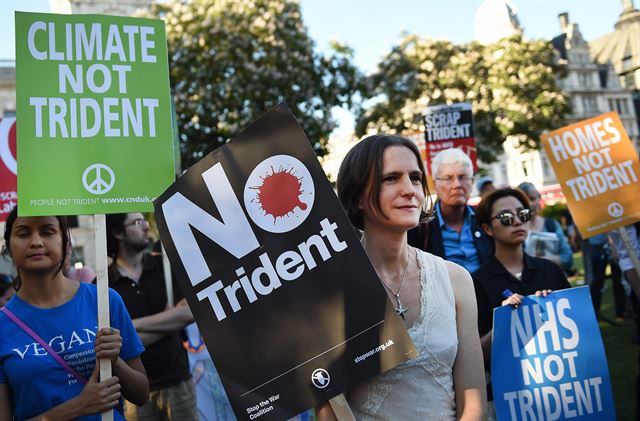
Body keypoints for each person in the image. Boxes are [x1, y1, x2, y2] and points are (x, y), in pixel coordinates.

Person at [318, 134, 486, 420]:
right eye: (391, 178)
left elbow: (474, 402)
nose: (410, 190)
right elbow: (328, 407)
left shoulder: (456, 280)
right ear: (358, 195)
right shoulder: (330, 290)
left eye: (416, 177)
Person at [0, 207, 148, 420]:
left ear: (65, 242)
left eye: (47, 231)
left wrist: (115, 362)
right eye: (23, 233)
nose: (36, 242)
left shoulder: (104, 300)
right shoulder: (3, 325)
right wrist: (78, 406)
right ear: (9, 247)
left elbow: (141, 394)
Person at [472, 188, 571, 416]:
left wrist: (555, 308)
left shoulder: (550, 271)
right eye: (506, 217)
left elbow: (579, 330)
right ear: (488, 228)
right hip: (509, 394)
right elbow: (475, 353)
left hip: (559, 387)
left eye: (523, 214)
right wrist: (504, 323)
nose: (517, 221)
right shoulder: (477, 282)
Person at [106, 212, 198, 420]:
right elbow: (113, 345)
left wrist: (129, 328)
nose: (146, 226)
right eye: (138, 222)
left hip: (178, 382)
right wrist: (169, 321)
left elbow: (188, 313)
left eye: (145, 221)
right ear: (118, 232)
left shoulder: (163, 267)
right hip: (134, 393)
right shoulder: (104, 283)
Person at [408, 147, 493, 273]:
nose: (457, 185)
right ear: (435, 184)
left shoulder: (485, 219)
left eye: (463, 177)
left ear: (472, 182)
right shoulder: (420, 228)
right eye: (448, 178)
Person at [517, 182, 573, 273]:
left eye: (532, 199)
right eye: (524, 201)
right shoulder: (516, 229)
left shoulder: (552, 225)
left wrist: (537, 261)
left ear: (539, 198)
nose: (530, 204)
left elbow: (568, 259)